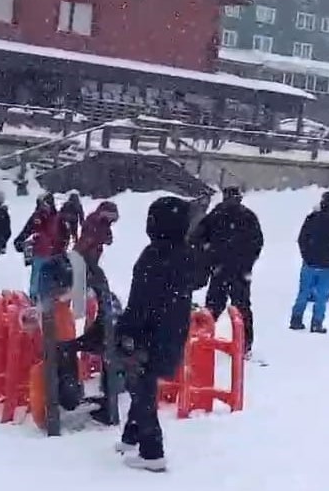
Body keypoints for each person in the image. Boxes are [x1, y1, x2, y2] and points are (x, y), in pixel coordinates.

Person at [114, 196, 195, 472]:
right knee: (144, 383)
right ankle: (131, 436)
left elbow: (141, 301)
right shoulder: (185, 253)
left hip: (148, 331)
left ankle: (152, 451)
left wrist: (124, 330)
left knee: (142, 387)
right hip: (174, 329)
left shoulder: (154, 256)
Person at [189, 186, 263, 357]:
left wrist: (208, 256)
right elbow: (257, 243)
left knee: (213, 306)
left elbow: (196, 238)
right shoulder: (248, 216)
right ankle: (245, 345)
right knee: (242, 306)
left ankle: (202, 339)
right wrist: (248, 262)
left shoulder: (215, 215)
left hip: (219, 268)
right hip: (240, 270)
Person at [291, 191, 329, 333]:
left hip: (310, 263)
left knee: (303, 292)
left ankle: (296, 319)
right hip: (327, 266)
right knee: (322, 296)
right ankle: (317, 323)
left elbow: (302, 238)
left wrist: (306, 255)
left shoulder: (311, 219)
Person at [14, 193, 68, 302]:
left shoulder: (58, 218)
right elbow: (28, 230)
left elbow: (65, 234)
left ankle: (50, 299)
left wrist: (62, 245)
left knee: (52, 277)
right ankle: (35, 299)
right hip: (40, 251)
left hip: (54, 253)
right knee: (37, 277)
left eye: (46, 204)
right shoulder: (37, 217)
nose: (44, 207)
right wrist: (19, 241)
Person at [73, 201, 119, 297]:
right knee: (97, 281)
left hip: (90, 257)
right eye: (111, 218)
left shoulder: (103, 224)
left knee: (95, 281)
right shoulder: (95, 222)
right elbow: (88, 240)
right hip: (85, 257)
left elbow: (108, 239)